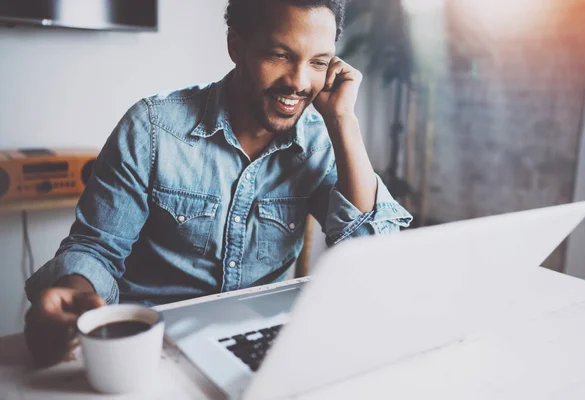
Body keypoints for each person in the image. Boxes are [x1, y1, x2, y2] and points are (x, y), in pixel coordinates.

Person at [23, 0, 412, 366]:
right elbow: (97, 248)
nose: (298, 81)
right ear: (236, 46)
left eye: (318, 62)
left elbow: (373, 255)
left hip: (262, 345)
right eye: (280, 55)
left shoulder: (320, 138)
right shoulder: (152, 130)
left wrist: (344, 120)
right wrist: (75, 293)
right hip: (154, 346)